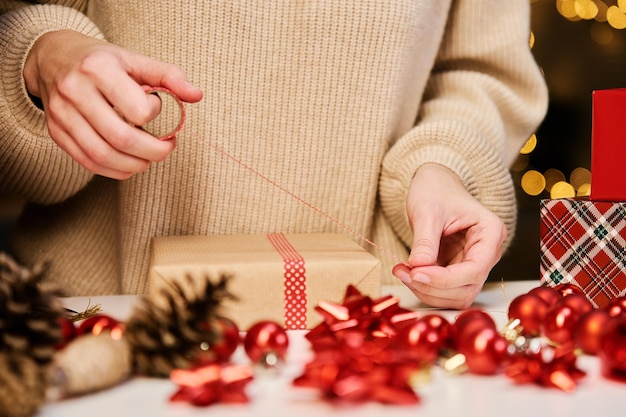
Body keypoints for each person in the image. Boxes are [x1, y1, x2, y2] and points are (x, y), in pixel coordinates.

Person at [0, 1, 548, 309]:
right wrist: (39, 58)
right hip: (97, 321)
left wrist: (443, 165)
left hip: (371, 323)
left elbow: (481, 75)